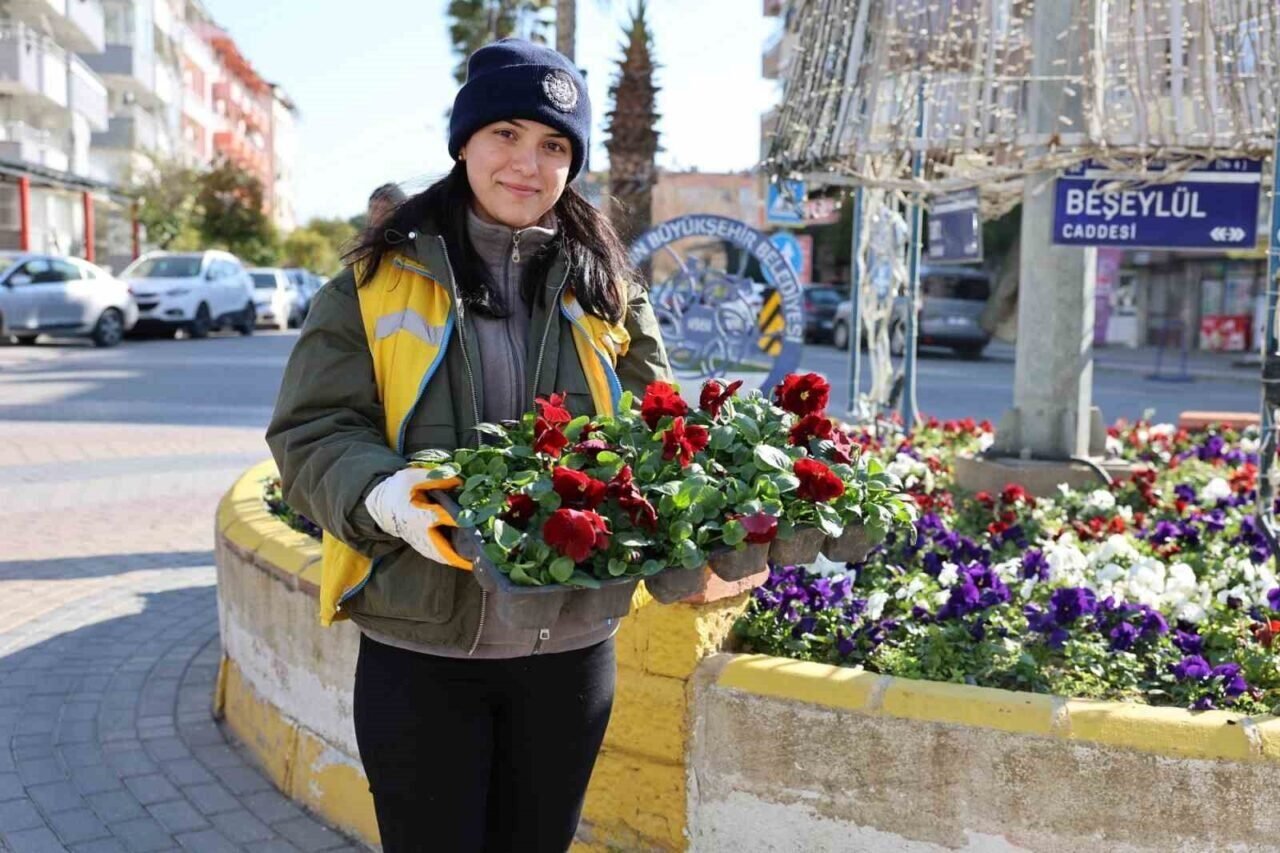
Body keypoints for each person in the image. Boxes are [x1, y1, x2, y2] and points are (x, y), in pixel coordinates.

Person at [266, 38, 671, 853]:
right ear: (464, 142)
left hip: (571, 646)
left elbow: (657, 434)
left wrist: (708, 509)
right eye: (507, 135)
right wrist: (387, 498)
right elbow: (311, 431)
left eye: (554, 145)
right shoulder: (370, 285)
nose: (528, 163)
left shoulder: (611, 291)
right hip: (422, 649)